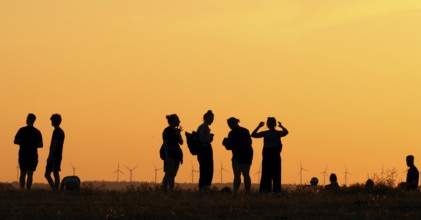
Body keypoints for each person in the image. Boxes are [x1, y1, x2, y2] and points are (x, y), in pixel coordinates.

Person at [251, 117, 288, 192]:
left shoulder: (277, 133)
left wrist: (281, 126)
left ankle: (276, 191)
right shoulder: (265, 133)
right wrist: (259, 126)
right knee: (266, 173)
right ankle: (265, 190)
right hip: (266, 154)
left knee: (276, 173)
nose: (269, 124)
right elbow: (253, 135)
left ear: (274, 124)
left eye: (271, 123)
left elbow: (286, 132)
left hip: (275, 154)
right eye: (268, 123)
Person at [222, 117, 253, 193]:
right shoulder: (245, 131)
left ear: (232, 124)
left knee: (237, 175)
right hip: (247, 155)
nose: (229, 126)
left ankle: (235, 191)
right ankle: (248, 191)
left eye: (229, 124)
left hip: (237, 156)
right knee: (246, 174)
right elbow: (250, 142)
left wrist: (225, 143)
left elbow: (229, 146)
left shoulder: (232, 133)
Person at [14, 113, 43, 191]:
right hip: (33, 154)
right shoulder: (37, 132)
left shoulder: (22, 130)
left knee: (22, 173)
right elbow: (41, 145)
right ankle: (28, 190)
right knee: (30, 173)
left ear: (29, 120)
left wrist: (22, 143)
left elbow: (15, 141)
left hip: (23, 154)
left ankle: (21, 189)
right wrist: (33, 145)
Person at [161, 114, 183, 192]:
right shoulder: (166, 131)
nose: (179, 121)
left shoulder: (176, 130)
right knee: (168, 174)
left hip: (176, 155)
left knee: (172, 175)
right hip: (170, 155)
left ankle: (171, 191)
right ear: (173, 121)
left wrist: (178, 134)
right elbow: (165, 144)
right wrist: (167, 157)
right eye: (178, 120)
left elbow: (181, 142)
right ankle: (164, 191)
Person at [45, 114, 65, 191]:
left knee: (51, 174)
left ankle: (55, 189)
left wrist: (50, 155)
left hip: (55, 155)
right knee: (54, 173)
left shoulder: (57, 131)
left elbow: (55, 143)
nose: (51, 122)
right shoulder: (61, 131)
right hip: (58, 155)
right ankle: (56, 189)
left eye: (52, 120)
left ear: (54, 121)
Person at [197, 110, 214, 191]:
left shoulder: (201, 127)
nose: (212, 120)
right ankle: (204, 187)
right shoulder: (204, 127)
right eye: (210, 119)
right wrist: (210, 138)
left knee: (204, 169)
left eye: (212, 119)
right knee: (207, 169)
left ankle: (203, 187)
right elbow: (204, 140)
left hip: (201, 151)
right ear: (205, 118)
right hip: (205, 151)